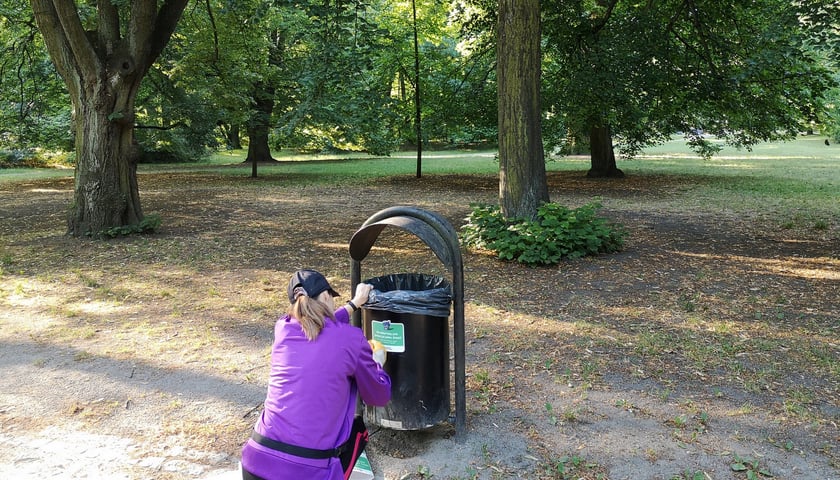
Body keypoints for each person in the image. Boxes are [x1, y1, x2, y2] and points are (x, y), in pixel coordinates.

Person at [241, 269, 391, 480]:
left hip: (256, 461)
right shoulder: (351, 339)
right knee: (358, 431)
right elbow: (379, 396)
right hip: (309, 472)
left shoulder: (282, 329)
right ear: (326, 296)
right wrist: (377, 365)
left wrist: (354, 303)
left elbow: (320, 326)